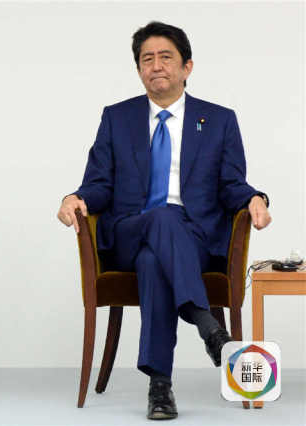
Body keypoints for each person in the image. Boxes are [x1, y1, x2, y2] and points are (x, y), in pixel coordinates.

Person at [57, 22, 271, 420]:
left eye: (166, 57)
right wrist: (75, 197)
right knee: (159, 218)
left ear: (187, 66)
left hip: (193, 238)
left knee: (154, 259)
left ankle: (159, 386)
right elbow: (99, 184)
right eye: (147, 59)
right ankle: (206, 323)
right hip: (129, 232)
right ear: (139, 69)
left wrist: (254, 198)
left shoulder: (219, 120)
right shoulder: (117, 118)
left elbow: (231, 184)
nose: (156, 66)